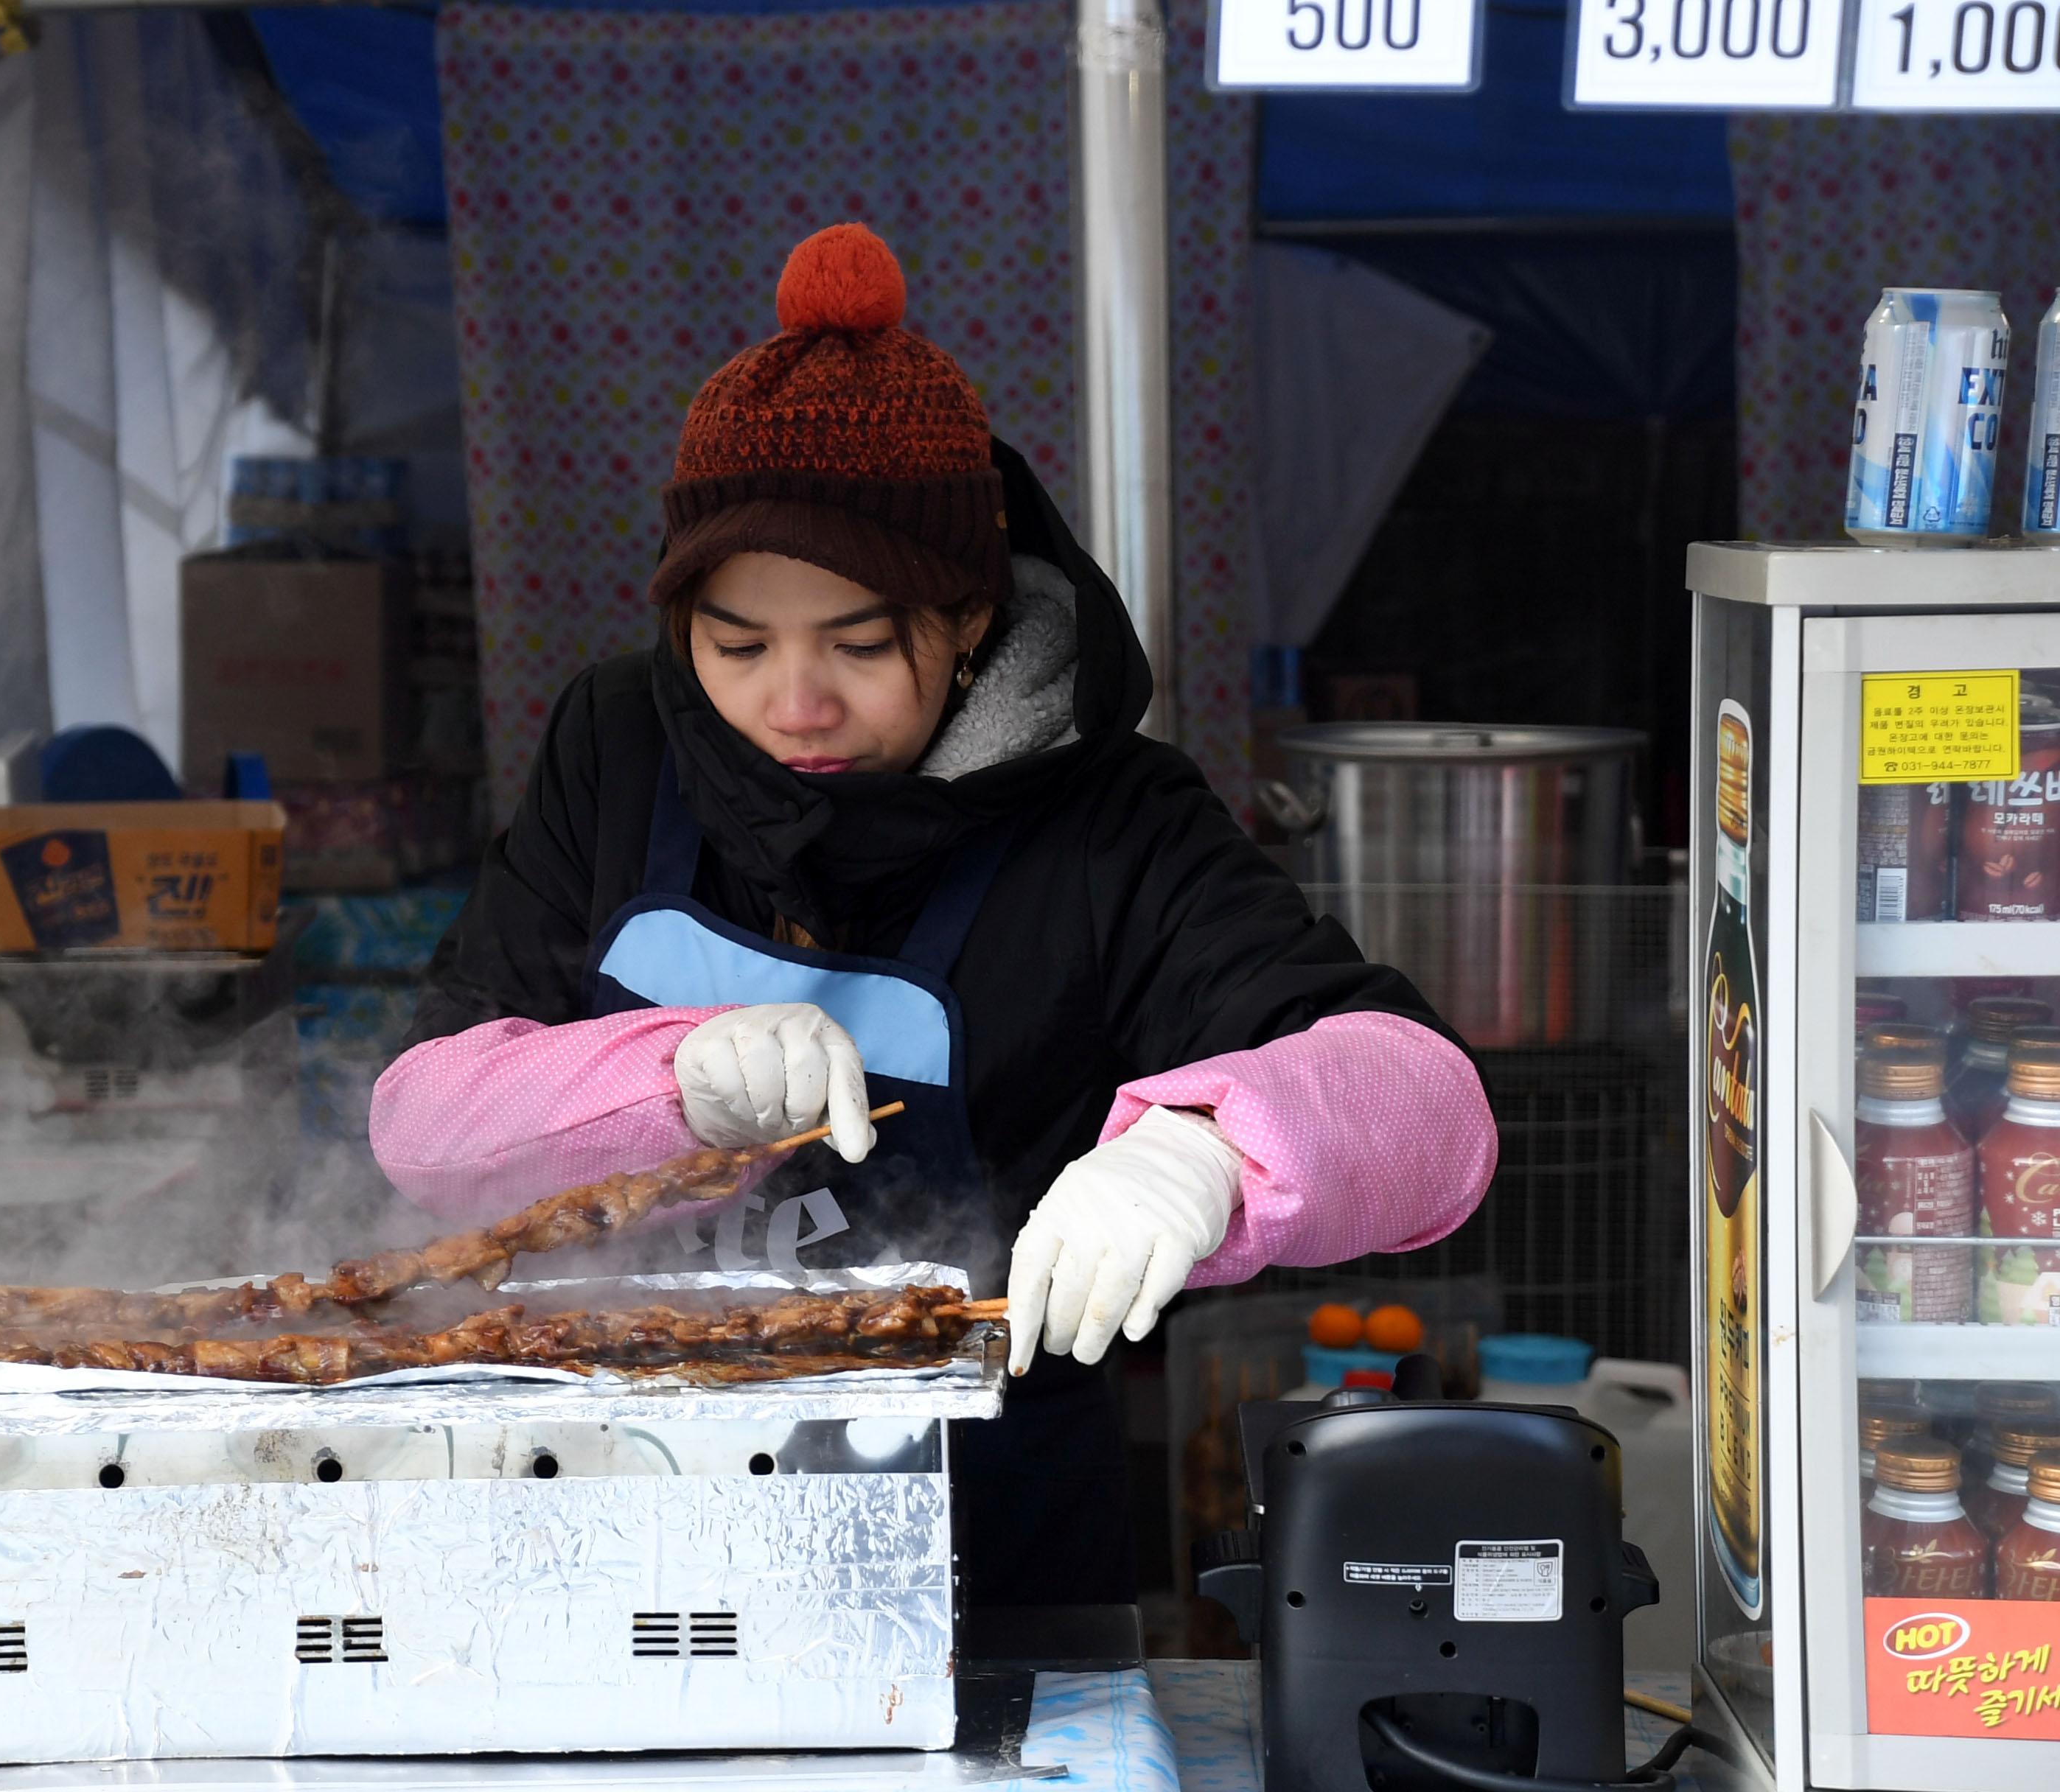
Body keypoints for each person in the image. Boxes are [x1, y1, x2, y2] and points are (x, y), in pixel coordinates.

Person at [368, 223, 1496, 1605]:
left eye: (858, 643)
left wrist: (1202, 1156)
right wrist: (662, 1082)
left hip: (990, 1557)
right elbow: (421, 1125)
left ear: (969, 615)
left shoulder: (1108, 823)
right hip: (612, 1515)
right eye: (737, 645)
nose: (796, 703)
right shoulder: (617, 748)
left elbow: (1430, 1107)